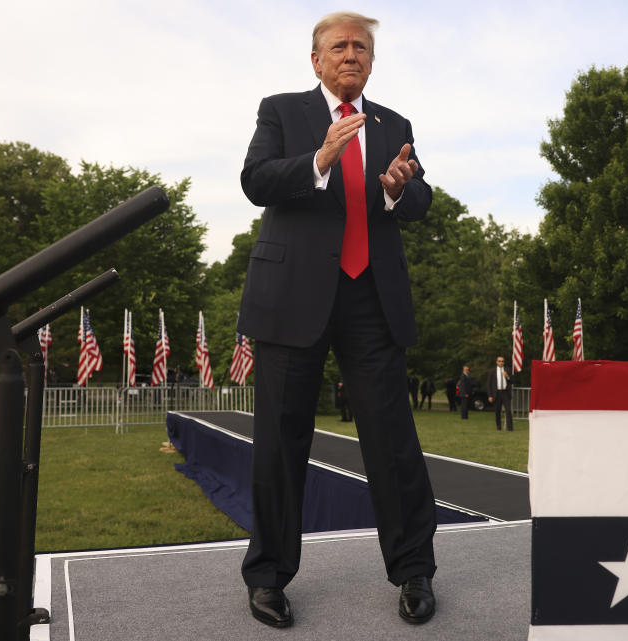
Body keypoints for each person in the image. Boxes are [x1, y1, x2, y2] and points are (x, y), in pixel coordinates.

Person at [235, 12, 437, 628]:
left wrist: (401, 188)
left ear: (371, 63)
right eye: (339, 46)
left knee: (393, 441)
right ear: (317, 60)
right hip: (292, 296)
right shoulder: (282, 112)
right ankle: (268, 577)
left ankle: (414, 572)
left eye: (363, 48)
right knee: (279, 442)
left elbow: (421, 199)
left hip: (371, 301)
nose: (351, 54)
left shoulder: (394, 123)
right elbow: (255, 180)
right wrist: (318, 160)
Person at [487, 356, 513, 431]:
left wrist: (507, 377)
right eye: (499, 361)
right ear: (496, 362)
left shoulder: (507, 370)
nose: (501, 362)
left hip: (505, 393)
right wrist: (490, 395)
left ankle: (510, 428)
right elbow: (489, 384)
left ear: (504, 362)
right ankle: (498, 427)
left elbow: (512, 381)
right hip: (496, 393)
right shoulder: (492, 371)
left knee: (508, 410)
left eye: (502, 361)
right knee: (497, 411)